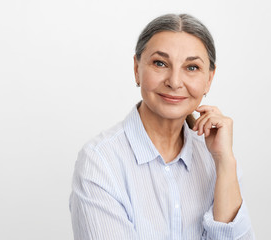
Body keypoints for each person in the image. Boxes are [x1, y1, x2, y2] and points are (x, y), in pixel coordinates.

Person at [69, 13, 255, 240]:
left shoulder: (217, 158)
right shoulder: (100, 161)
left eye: (192, 67)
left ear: (209, 79)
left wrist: (225, 162)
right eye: (160, 63)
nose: (175, 81)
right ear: (137, 69)